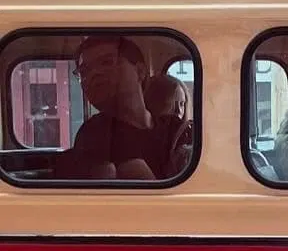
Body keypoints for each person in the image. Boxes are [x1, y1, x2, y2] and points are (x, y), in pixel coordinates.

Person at [56, 34, 191, 181]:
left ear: (140, 71)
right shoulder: (95, 133)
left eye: (107, 62)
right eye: (84, 71)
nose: (94, 74)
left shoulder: (175, 128)